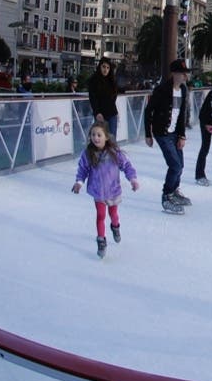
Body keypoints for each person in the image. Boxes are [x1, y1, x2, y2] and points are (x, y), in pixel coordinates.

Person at [72, 121, 139, 258]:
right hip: (98, 191)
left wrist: (132, 179)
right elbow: (83, 169)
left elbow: (126, 166)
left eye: (99, 135)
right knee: (100, 216)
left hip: (113, 190)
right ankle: (101, 240)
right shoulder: (88, 153)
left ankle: (115, 227)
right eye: (93, 135)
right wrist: (79, 182)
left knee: (113, 215)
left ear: (106, 137)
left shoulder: (114, 153)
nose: (95, 138)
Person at [143, 59, 192, 215]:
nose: (184, 76)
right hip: (162, 133)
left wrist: (182, 135)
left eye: (185, 74)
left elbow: (182, 113)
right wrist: (148, 134)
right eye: (181, 73)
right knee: (175, 165)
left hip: (175, 133)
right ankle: (167, 196)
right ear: (174, 74)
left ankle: (174, 191)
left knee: (180, 164)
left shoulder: (183, 90)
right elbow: (148, 111)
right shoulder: (162, 90)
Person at [87, 58, 119, 140]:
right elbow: (92, 98)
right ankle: (101, 153)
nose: (105, 70)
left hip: (112, 113)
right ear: (100, 67)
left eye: (108, 68)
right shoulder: (93, 80)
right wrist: (97, 112)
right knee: (100, 139)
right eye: (104, 67)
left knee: (112, 139)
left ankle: (111, 153)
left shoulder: (111, 80)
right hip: (100, 115)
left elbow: (114, 96)